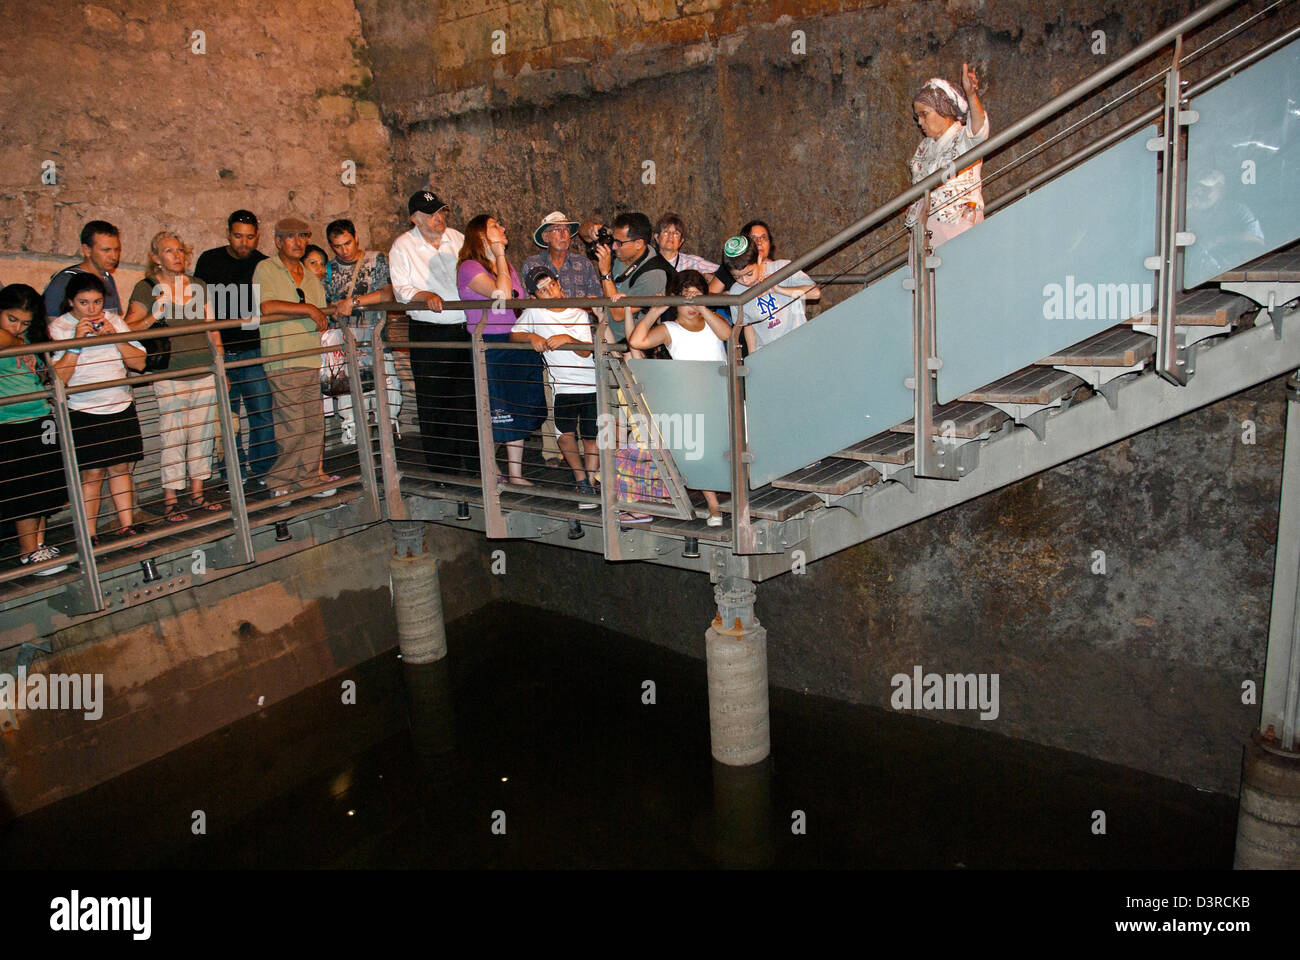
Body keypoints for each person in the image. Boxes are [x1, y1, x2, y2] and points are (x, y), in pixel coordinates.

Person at [124, 232, 223, 521]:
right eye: (169, 251)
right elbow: (128, 328)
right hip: (170, 373)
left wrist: (220, 365)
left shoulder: (198, 285)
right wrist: (156, 313)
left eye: (180, 250)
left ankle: (198, 493)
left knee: (203, 434)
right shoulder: (147, 288)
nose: (177, 255)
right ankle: (170, 500)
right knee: (173, 437)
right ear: (156, 257)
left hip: (203, 369)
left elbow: (211, 327)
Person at [48, 273, 146, 544]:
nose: (91, 309)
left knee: (120, 468)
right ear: (70, 302)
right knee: (92, 473)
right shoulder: (59, 327)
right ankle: (89, 533)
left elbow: (139, 363)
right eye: (83, 302)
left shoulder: (114, 321)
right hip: (83, 408)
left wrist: (115, 337)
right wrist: (76, 345)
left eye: (97, 302)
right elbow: (58, 378)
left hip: (119, 404)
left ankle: (127, 526)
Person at [627, 270, 730, 525]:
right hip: (691, 395)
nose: (691, 305)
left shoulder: (712, 319)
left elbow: (726, 334)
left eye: (696, 296)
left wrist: (704, 308)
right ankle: (713, 505)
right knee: (702, 451)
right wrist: (654, 312)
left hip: (722, 392)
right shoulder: (669, 328)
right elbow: (637, 341)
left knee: (727, 448)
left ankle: (734, 496)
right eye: (686, 298)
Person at [389, 190, 477, 475]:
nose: (439, 218)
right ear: (415, 219)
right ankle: (444, 470)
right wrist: (423, 293)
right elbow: (401, 290)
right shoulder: (402, 247)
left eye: (441, 212)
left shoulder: (458, 238)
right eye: (431, 214)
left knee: (468, 399)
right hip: (429, 332)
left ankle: (475, 466)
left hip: (463, 329)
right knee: (435, 401)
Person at [457, 215, 545, 485]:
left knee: (516, 405)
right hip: (489, 344)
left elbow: (516, 299)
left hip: (512, 339)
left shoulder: (504, 265)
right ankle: (489, 467)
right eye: (496, 226)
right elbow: (503, 296)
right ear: (480, 235)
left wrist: (501, 261)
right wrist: (499, 257)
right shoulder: (469, 267)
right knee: (497, 408)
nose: (503, 229)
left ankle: (515, 474)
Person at [194, 210, 275, 489]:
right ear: (228, 233)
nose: (244, 243)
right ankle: (232, 473)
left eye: (250, 237)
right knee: (226, 420)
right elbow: (199, 306)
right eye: (238, 236)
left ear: (257, 236)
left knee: (262, 413)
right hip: (220, 352)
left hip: (254, 350)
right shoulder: (209, 260)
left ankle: (263, 470)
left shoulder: (264, 265)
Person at [513, 265, 606, 506]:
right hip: (562, 386)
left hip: (588, 383)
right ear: (534, 297)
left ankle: (591, 482)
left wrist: (567, 339)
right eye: (542, 290)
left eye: (551, 284)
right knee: (564, 435)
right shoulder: (535, 313)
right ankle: (581, 479)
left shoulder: (577, 312)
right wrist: (533, 337)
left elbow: (586, 350)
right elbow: (515, 333)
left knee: (591, 436)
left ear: (560, 284)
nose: (549, 290)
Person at [253, 217, 332, 498]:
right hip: (282, 356)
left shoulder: (310, 276)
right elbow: (267, 305)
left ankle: (307, 479)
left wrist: (316, 312)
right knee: (293, 424)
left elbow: (322, 314)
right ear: (277, 241)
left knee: (313, 424)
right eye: (290, 236)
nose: (298, 242)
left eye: (302, 236)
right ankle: (279, 481)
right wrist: (308, 309)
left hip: (310, 356)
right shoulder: (266, 268)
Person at [0, 284, 68, 574]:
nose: (18, 327)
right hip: (12, 421)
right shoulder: (11, 339)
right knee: (23, 486)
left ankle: (38, 545)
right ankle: (28, 551)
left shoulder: (30, 336)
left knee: (43, 483)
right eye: (12, 319)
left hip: (41, 416)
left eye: (25, 322)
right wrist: (22, 346)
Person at [324, 219, 401, 446]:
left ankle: (387, 440)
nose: (344, 250)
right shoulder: (329, 269)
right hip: (347, 344)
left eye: (347, 243)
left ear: (356, 236)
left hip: (376, 339)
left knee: (385, 393)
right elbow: (327, 303)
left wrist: (353, 302)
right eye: (337, 246)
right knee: (350, 398)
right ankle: (359, 446)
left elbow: (387, 293)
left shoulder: (375, 259)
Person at [907, 63, 989, 248]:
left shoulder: (962, 138)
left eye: (924, 114)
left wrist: (972, 95)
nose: (920, 122)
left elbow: (978, 130)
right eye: (917, 116)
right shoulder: (925, 147)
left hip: (956, 224)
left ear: (943, 109)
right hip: (926, 228)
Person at [593, 212, 675, 349]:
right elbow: (584, 231)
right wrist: (592, 229)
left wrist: (605, 274)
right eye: (613, 240)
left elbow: (618, 314)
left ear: (638, 244)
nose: (613, 247)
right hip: (608, 335)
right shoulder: (623, 252)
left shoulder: (654, 274)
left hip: (631, 347)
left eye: (619, 243)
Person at [724, 235, 821, 352]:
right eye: (737, 277)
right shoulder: (736, 291)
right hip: (767, 351)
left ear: (759, 259)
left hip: (799, 343)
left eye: (749, 273)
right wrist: (752, 355)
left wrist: (778, 289)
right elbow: (748, 326)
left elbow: (815, 293)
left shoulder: (781, 268)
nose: (745, 280)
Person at [43, 220, 124, 319]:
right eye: (106, 250)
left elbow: (114, 318)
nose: (114, 256)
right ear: (87, 250)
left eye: (116, 250)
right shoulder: (65, 280)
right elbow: (49, 324)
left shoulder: (107, 278)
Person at [655, 213, 718, 278]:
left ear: (681, 241)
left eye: (676, 234)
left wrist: (708, 278)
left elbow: (724, 272)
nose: (670, 236)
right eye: (666, 232)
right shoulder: (648, 261)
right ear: (657, 237)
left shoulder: (693, 262)